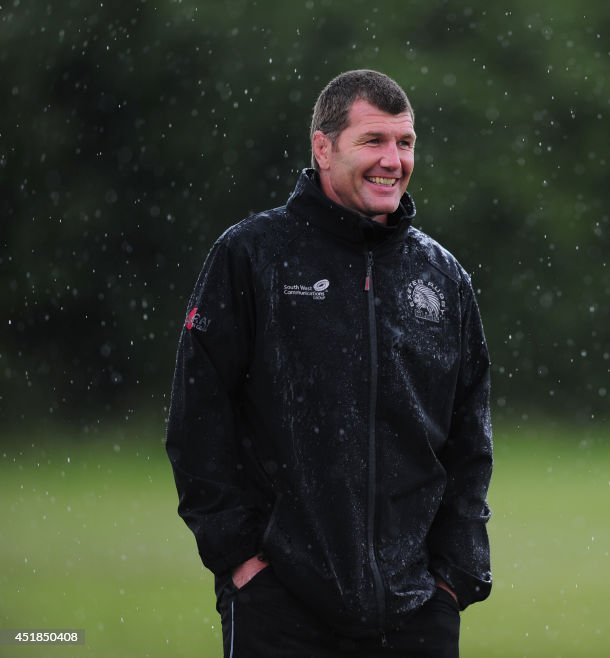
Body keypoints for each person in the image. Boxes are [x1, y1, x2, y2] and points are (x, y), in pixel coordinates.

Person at [165, 69, 493, 658]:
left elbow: (469, 446)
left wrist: (452, 581)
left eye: (405, 142)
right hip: (280, 606)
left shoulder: (443, 278)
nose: (393, 160)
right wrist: (242, 561)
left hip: (418, 612)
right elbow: (197, 422)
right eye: (374, 141)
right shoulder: (252, 256)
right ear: (323, 146)